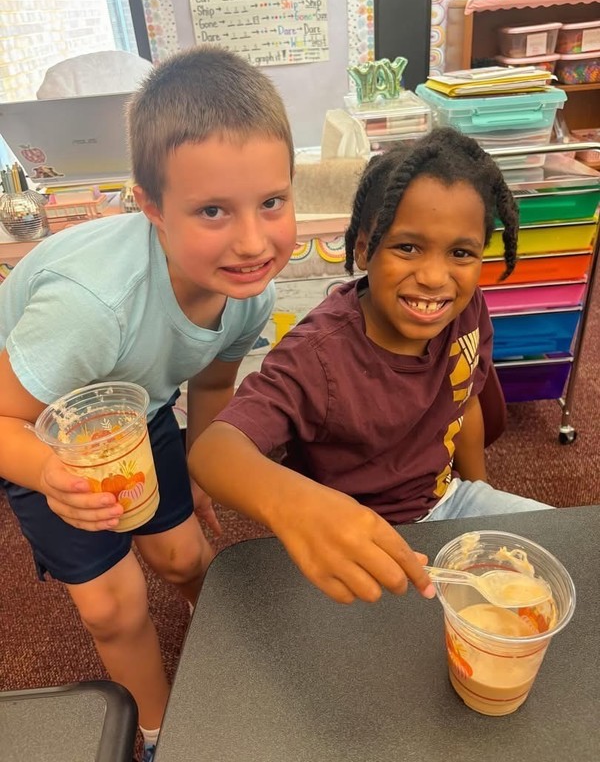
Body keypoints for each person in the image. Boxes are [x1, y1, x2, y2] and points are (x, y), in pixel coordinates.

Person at [0, 46, 297, 762]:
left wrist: (198, 469)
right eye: (213, 211)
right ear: (151, 207)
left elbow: (212, 384)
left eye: (272, 202)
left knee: (183, 551)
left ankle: (225, 642)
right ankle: (164, 732)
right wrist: (52, 476)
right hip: (36, 425)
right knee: (114, 605)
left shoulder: (250, 292)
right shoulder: (94, 308)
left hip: (139, 405)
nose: (254, 242)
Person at [189, 127, 551, 610]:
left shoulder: (465, 308)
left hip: (450, 505)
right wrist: (297, 506)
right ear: (363, 249)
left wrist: (478, 497)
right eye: (407, 247)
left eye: (461, 253)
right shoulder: (315, 356)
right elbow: (213, 452)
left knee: (564, 552)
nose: (434, 277)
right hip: (352, 540)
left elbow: (463, 403)